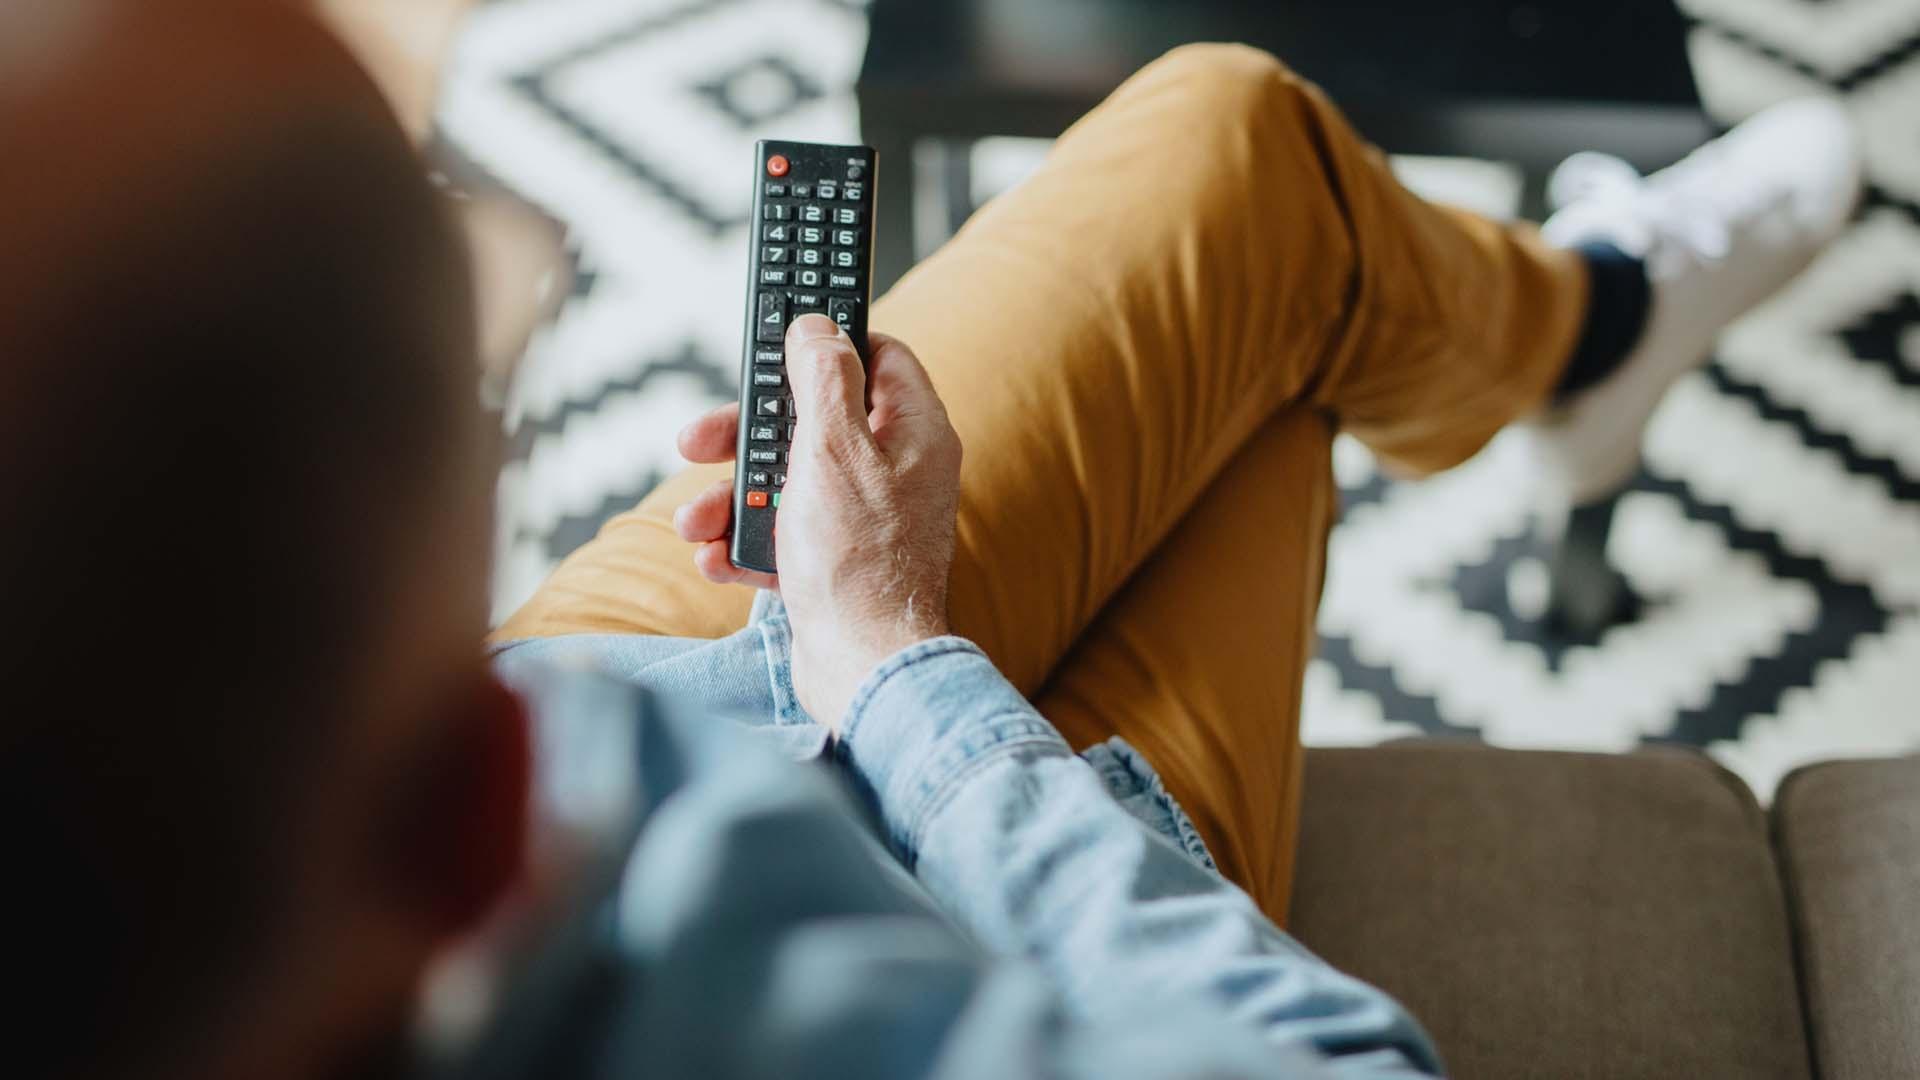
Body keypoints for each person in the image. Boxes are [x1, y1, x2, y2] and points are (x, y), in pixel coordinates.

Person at [0, 1, 1859, 1078]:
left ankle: (1580, 340)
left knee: (1239, 160)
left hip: (665, 658)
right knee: (1275, 280)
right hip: (948, 827)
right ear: (494, 804)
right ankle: (1590, 343)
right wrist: (890, 655)